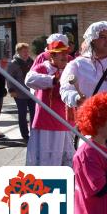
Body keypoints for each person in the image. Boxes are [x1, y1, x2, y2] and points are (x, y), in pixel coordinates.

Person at [60, 21, 107, 109]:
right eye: (102, 37)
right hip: (89, 117)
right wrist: (76, 98)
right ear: (92, 40)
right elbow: (65, 90)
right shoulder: (76, 65)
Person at [25, 37, 75, 166]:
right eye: (61, 53)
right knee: (46, 155)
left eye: (66, 52)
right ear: (52, 56)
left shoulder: (70, 68)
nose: (65, 56)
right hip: (46, 119)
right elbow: (29, 80)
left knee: (66, 156)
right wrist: (52, 80)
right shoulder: (43, 68)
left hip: (66, 120)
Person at [6, 43, 35, 140]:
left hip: (31, 92)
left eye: (27, 51)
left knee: (34, 114)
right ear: (18, 52)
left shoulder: (32, 62)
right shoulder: (13, 63)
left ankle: (33, 133)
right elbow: (9, 78)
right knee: (22, 114)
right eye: (24, 51)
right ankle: (25, 134)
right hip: (19, 93)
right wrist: (11, 90)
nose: (26, 53)